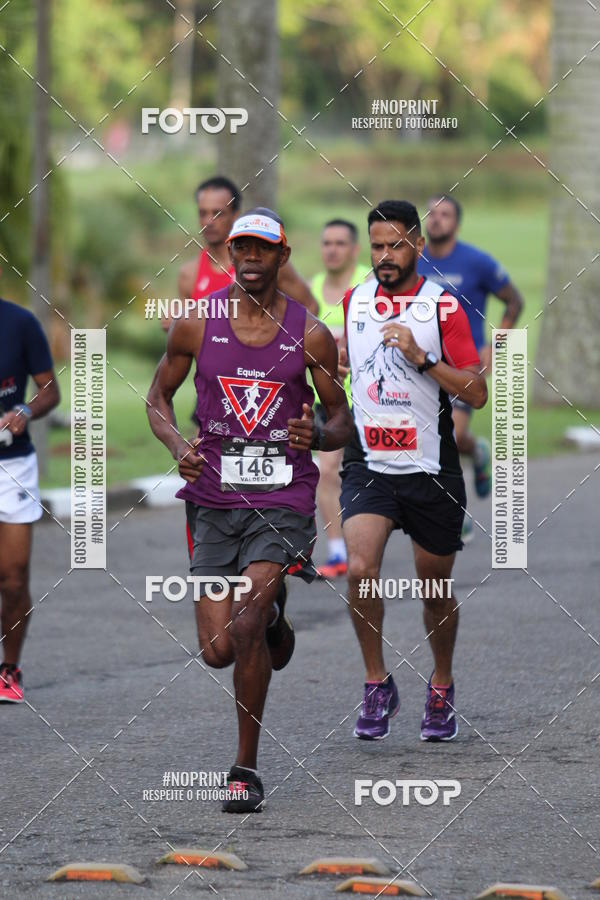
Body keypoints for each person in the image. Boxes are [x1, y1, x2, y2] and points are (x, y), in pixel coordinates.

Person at [147, 209, 353, 812]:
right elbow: (158, 397)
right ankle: (275, 622)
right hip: (212, 497)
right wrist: (177, 444)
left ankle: (245, 769)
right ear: (230, 255)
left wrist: (318, 433)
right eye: (242, 249)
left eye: (263, 249)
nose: (251, 258)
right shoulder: (194, 325)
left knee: (244, 620)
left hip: (282, 496)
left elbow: (342, 418)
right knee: (218, 649)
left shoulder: (311, 334)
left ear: (283, 257)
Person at [339, 200, 487, 742]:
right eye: (376, 245)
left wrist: (424, 360)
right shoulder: (354, 301)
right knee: (359, 568)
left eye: (395, 245)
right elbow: (344, 367)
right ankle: (376, 682)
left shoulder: (442, 307)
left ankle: (441, 683)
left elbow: (477, 391)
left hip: (431, 469)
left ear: (418, 246)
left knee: (433, 587)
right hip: (369, 465)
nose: (384, 256)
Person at [418, 196, 524, 537]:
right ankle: (473, 460)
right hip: (422, 365)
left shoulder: (477, 262)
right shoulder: (413, 261)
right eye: (431, 214)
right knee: (427, 439)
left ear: (457, 224)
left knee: (450, 434)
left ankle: (456, 502)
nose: (436, 220)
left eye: (444, 214)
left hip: (464, 365)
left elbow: (514, 300)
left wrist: (496, 345)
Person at [161, 175, 318, 332]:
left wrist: (278, 346)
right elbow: (187, 335)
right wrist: (176, 325)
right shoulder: (188, 274)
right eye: (203, 213)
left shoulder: (266, 265)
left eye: (217, 213)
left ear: (236, 215)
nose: (209, 222)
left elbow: (310, 307)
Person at [0, 298, 60, 703]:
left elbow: (50, 389)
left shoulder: (20, 323)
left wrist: (23, 409)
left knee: (14, 577)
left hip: (12, 465)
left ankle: (9, 669)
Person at [311, 220, 371, 579]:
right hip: (332, 401)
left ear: (354, 249)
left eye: (339, 243)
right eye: (326, 242)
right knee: (326, 471)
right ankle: (338, 552)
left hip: (375, 401)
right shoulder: (310, 290)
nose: (332, 249)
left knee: (393, 473)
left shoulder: (369, 283)